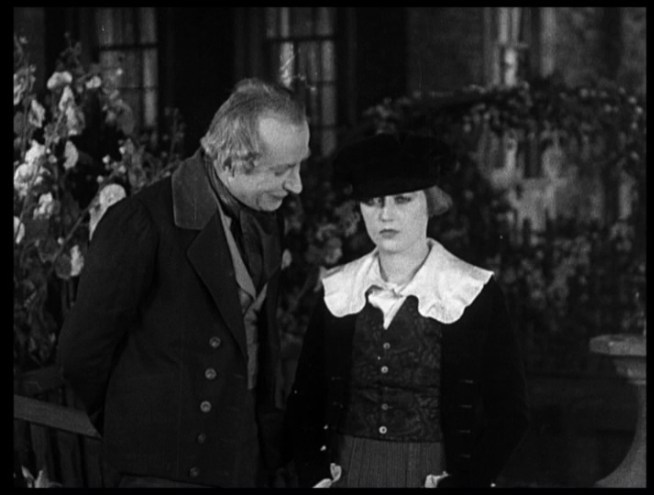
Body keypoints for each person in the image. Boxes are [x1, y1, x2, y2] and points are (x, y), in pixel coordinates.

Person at [57, 78, 310, 488]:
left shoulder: (266, 215)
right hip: (165, 469)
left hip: (243, 454)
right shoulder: (141, 223)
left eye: (300, 165)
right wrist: (139, 430)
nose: (297, 184)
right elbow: (79, 354)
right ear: (230, 162)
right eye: (282, 170)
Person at [284, 132, 529, 488]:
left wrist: (466, 482)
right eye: (373, 202)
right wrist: (316, 474)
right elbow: (304, 402)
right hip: (349, 475)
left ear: (429, 203)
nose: (386, 215)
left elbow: (510, 413)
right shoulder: (340, 290)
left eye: (402, 199)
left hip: (433, 476)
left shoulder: (472, 291)